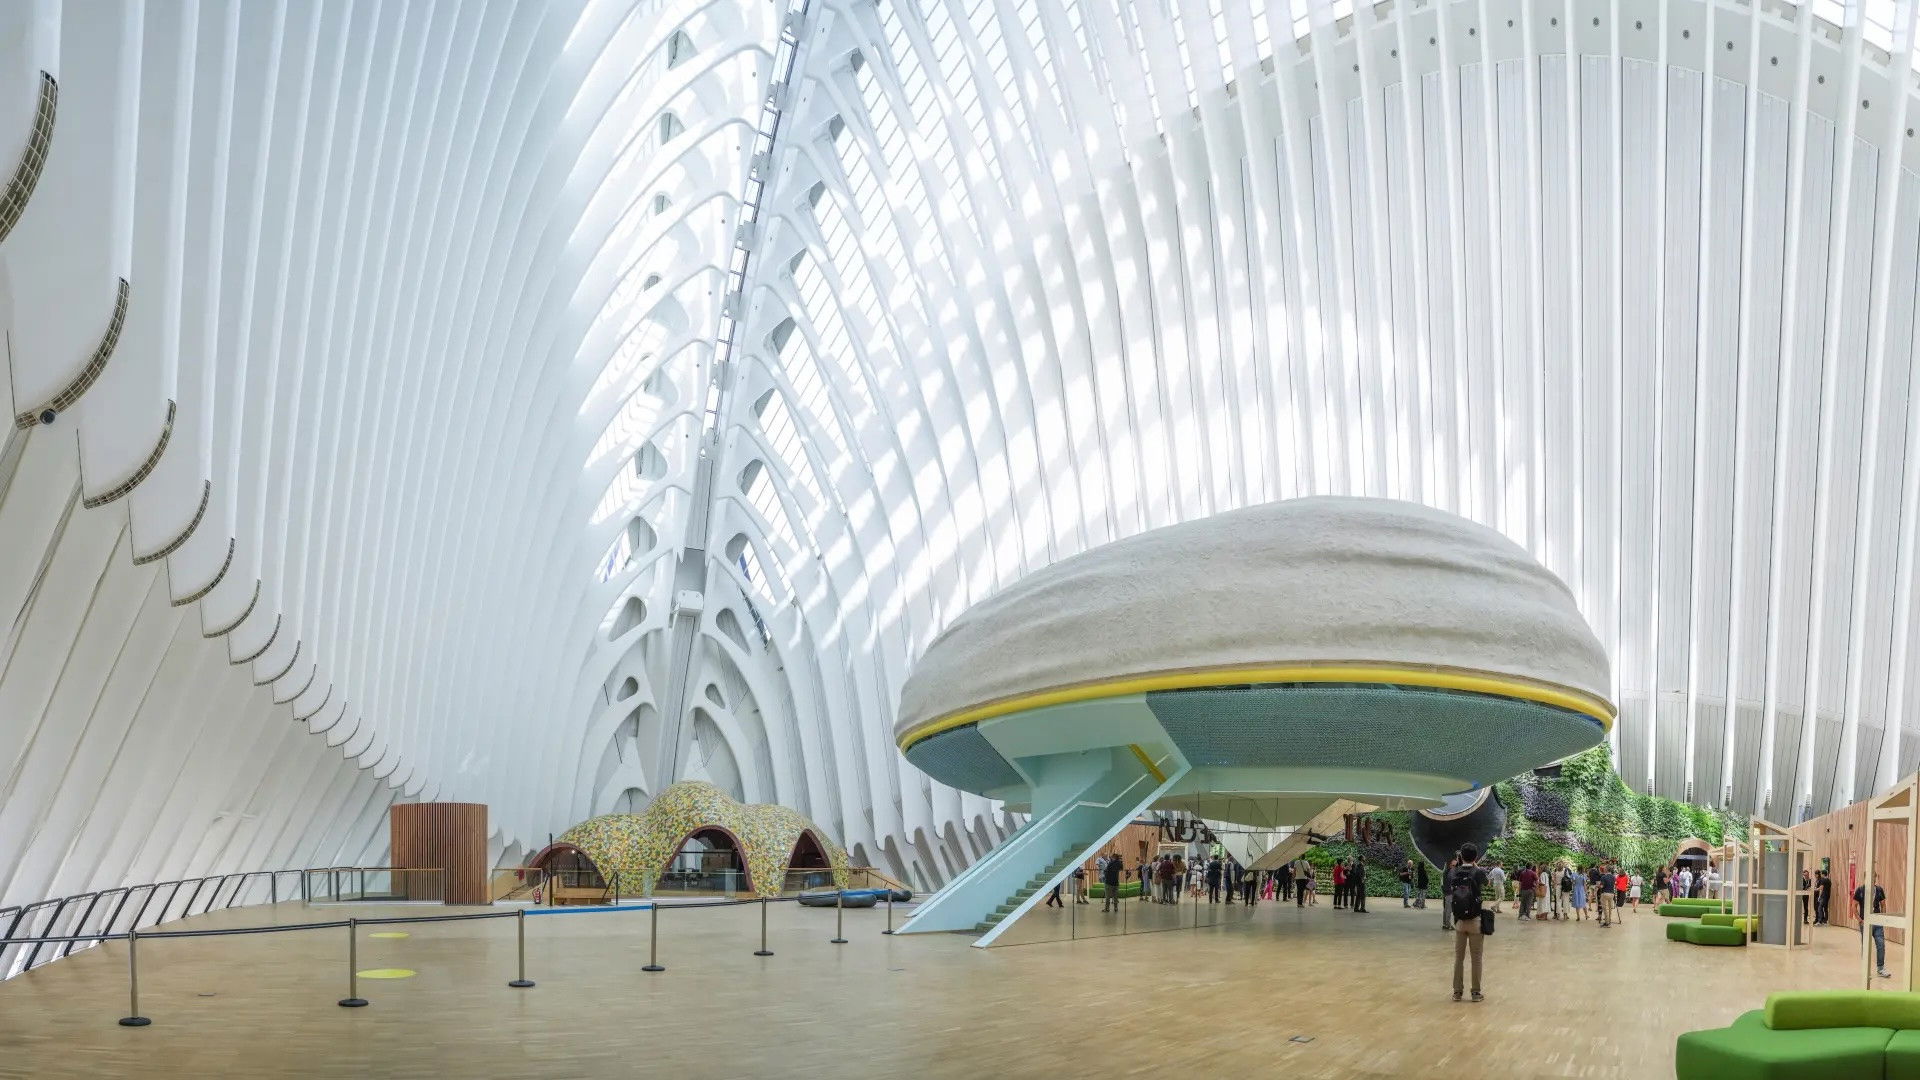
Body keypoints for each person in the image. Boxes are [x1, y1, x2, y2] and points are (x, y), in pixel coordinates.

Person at [1447, 844, 1490, 1002]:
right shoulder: (1477, 872)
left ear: (1461, 856)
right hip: (1475, 920)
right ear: (1476, 857)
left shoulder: (1454, 872)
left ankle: (1457, 992)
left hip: (1459, 921)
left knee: (1459, 958)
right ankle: (1475, 993)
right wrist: (1475, 865)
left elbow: (1449, 888)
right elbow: (1487, 883)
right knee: (1476, 957)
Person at [1855, 873, 1892, 979]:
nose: (1873, 879)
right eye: (1871, 877)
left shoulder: (1879, 890)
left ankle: (1881, 968)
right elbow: (1854, 906)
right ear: (1865, 878)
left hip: (1877, 922)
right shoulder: (1860, 890)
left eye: (1874, 877)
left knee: (1881, 945)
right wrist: (1859, 920)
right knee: (1866, 946)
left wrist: (1883, 918)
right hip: (1865, 922)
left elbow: (1883, 904)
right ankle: (1865, 968)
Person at [1440, 857, 1459, 930]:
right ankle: (1448, 924)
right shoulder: (1450, 872)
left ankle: (1445, 924)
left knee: (1446, 908)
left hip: (1446, 892)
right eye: (1454, 865)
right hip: (1449, 892)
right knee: (1448, 909)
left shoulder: (1446, 871)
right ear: (1450, 864)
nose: (1455, 867)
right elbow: (1452, 882)